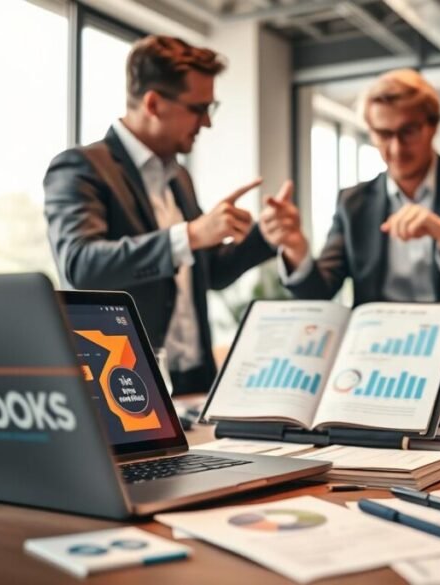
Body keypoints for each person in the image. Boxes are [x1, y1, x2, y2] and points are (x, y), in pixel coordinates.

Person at [44, 35, 291, 394]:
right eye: (198, 108)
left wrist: (265, 236)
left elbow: (210, 273)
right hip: (123, 385)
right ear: (154, 103)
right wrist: (190, 235)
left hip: (194, 383)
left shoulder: (179, 178)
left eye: (211, 107)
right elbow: (81, 265)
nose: (206, 122)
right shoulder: (81, 168)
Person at [264, 69, 440, 304]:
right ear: (371, 131)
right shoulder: (353, 202)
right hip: (378, 350)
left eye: (408, 131)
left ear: (432, 126)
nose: (396, 148)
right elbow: (320, 291)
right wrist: (296, 249)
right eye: (384, 134)